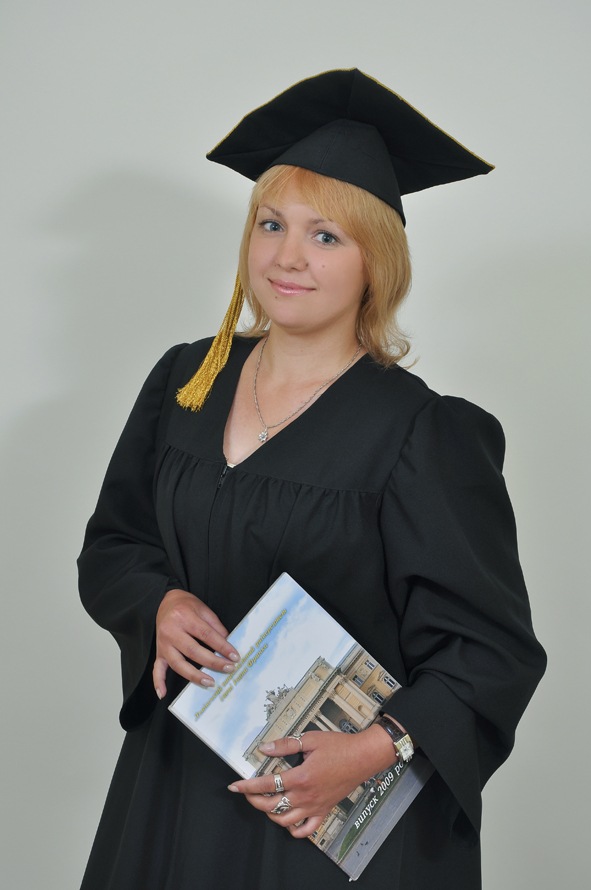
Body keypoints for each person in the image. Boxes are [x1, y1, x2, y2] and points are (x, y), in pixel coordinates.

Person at [78, 69, 546, 890]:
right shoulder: (187, 381)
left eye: (326, 236)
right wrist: (156, 602)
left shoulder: (424, 432)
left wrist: (371, 749)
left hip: (325, 818)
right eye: (271, 225)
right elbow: (115, 545)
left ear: (375, 262)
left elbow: (488, 652)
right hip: (176, 786)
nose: (287, 256)